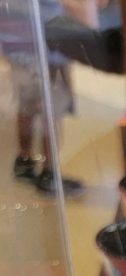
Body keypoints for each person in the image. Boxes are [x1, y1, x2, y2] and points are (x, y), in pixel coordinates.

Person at [1, 0, 85, 197]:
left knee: (26, 107)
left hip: (18, 47)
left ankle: (24, 163)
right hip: (48, 48)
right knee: (52, 112)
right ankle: (50, 173)